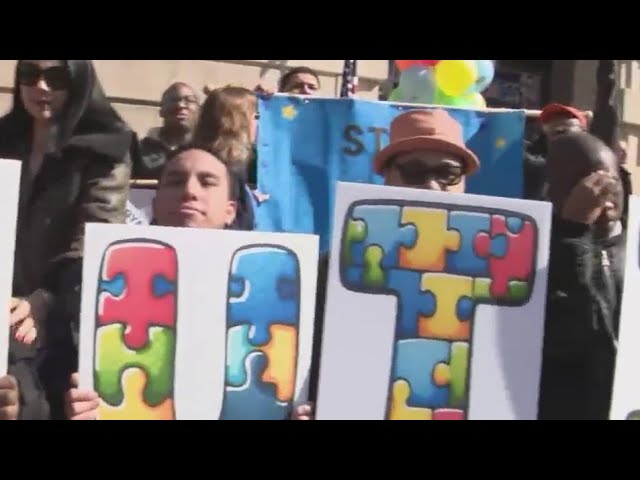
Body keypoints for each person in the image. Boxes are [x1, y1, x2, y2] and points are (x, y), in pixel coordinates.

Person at [64, 144, 306, 420]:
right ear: (154, 203)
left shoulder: (271, 289)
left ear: (231, 210)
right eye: (176, 181)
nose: (190, 191)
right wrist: (78, 408)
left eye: (207, 182)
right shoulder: (95, 281)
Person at [307, 108, 481, 419]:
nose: (432, 187)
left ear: (464, 182)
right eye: (414, 172)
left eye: (447, 174)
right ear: (386, 177)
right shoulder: (332, 270)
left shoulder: (494, 270)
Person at [0, 60, 134, 420]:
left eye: (56, 77)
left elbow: (94, 240)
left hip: (63, 318)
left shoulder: (106, 149)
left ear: (78, 81)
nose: (41, 86)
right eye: (30, 75)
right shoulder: (4, 138)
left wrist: (42, 303)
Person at [537, 131, 625, 420]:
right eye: (582, 185)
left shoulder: (632, 251)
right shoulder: (534, 252)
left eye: (607, 183)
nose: (599, 196)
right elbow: (566, 334)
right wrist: (573, 232)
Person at [193, 86, 264, 230]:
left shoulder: (192, 156)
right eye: (256, 117)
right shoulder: (226, 169)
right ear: (237, 122)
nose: (261, 123)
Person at [133, 82, 201, 180]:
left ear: (199, 111)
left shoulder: (207, 150)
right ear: (161, 111)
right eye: (173, 100)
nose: (181, 105)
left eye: (189, 100)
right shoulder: (139, 151)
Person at [255, 66, 321, 97]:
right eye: (297, 86)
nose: (306, 91)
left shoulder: (327, 114)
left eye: (312, 88)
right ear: (282, 90)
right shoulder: (277, 112)